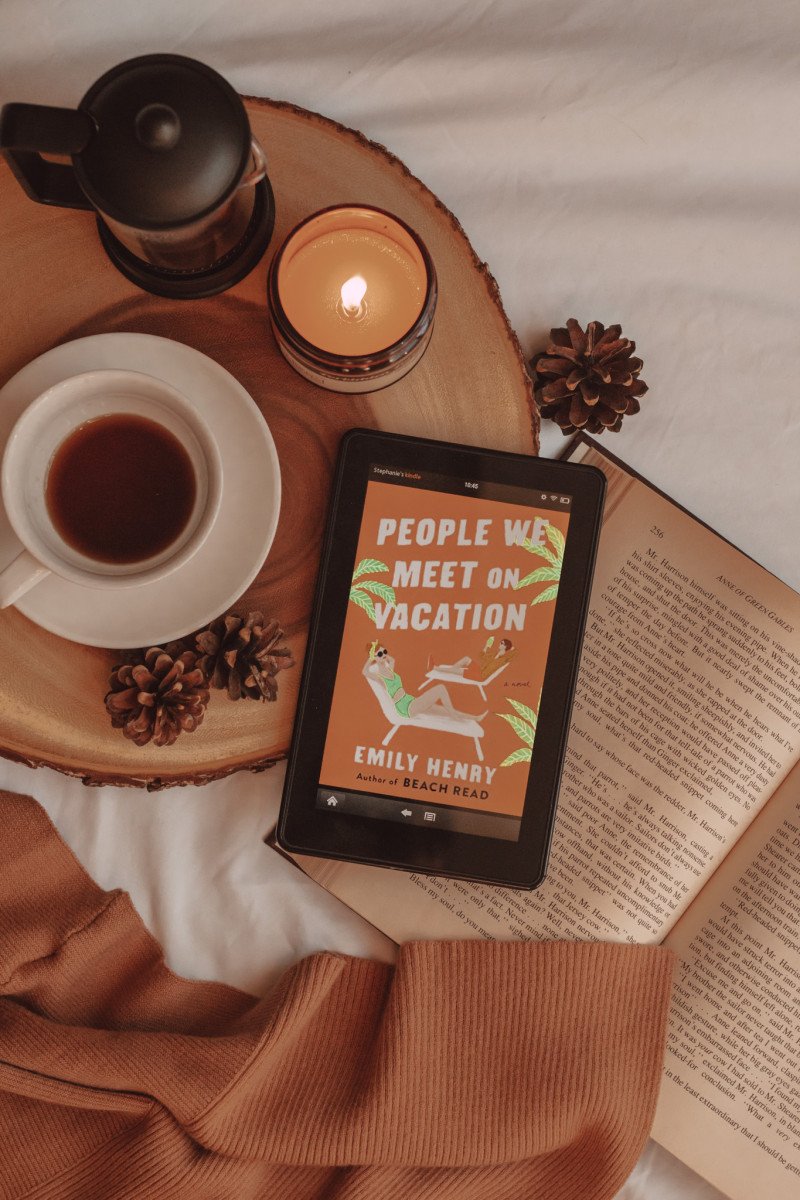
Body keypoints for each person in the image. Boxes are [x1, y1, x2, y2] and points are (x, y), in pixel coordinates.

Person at [364, 642, 486, 721]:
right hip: (405, 708)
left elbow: (393, 660)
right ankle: (454, 716)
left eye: (385, 652)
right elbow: (365, 672)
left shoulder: (390, 668)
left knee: (444, 711)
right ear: (374, 657)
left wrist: (381, 653)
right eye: (380, 654)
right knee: (440, 688)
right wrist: (371, 657)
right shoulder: (379, 677)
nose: (384, 655)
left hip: (410, 700)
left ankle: (475, 718)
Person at [436, 637, 515, 681]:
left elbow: (515, 653)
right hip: (479, 670)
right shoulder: (494, 653)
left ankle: (436, 668)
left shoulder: (503, 659)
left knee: (460, 671)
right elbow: (482, 656)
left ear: (505, 646)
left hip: (480, 676)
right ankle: (450, 671)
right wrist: (487, 646)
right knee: (466, 658)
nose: (499, 643)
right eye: (500, 642)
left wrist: (511, 649)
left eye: (502, 643)